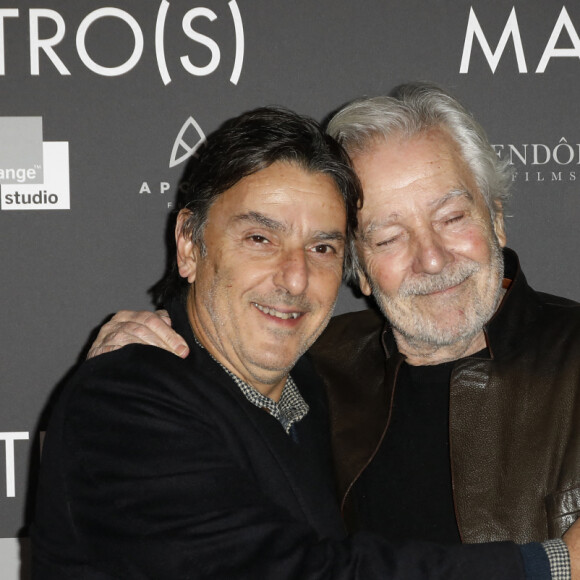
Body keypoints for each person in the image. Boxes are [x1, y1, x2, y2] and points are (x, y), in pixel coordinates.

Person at [31, 106, 553, 579]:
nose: (296, 278)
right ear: (189, 244)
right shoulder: (126, 400)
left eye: (322, 246)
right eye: (260, 239)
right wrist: (547, 564)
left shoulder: (316, 382)